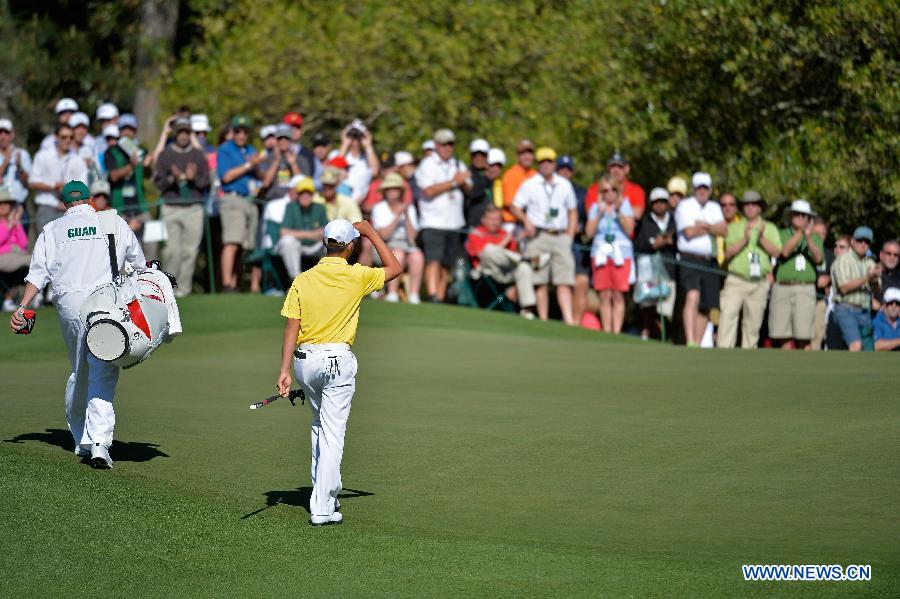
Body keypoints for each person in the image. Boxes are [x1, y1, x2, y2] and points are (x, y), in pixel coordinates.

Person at [9, 181, 146, 469]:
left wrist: (22, 307)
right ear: (90, 201)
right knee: (103, 370)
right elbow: (139, 265)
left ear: (63, 204)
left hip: (69, 306)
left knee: (79, 368)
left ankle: (82, 437)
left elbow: (37, 275)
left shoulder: (53, 229)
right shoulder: (113, 222)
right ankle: (99, 443)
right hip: (105, 303)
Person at [276, 218, 401, 525]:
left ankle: (324, 496)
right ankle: (321, 507)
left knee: (320, 427)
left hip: (305, 362)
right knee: (332, 434)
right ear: (350, 246)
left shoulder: (303, 279)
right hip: (336, 361)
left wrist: (284, 370)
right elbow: (395, 268)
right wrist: (371, 232)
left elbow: (292, 326)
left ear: (325, 244)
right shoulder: (356, 275)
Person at [510, 147, 578, 325]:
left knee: (564, 280)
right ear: (538, 165)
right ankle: (543, 320)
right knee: (540, 280)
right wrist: (526, 221)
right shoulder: (530, 184)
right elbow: (515, 207)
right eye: (542, 162)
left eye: (549, 162)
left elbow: (572, 211)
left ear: (554, 164)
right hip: (538, 236)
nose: (546, 165)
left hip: (560, 235)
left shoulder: (564, 184)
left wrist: (569, 236)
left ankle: (569, 321)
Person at [153, 117, 211, 297]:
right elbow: (158, 182)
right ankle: (169, 288)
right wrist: (173, 178)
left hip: (193, 208)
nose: (184, 136)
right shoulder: (166, 155)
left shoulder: (197, 155)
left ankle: (184, 290)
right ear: (176, 133)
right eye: (181, 132)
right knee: (171, 250)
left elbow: (206, 182)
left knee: (190, 251)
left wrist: (193, 179)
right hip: (171, 207)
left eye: (187, 132)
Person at [716, 191, 781, 349]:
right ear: (742, 208)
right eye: (747, 205)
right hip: (736, 280)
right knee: (727, 320)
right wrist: (745, 239)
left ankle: (747, 358)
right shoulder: (734, 227)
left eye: (754, 204)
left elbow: (777, 252)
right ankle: (722, 356)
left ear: (760, 208)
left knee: (752, 326)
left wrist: (761, 238)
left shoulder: (769, 227)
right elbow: (728, 252)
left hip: (758, 282)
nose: (750, 208)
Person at [414, 128, 471, 302]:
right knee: (434, 259)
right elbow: (429, 191)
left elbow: (469, 189)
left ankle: (440, 295)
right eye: (444, 144)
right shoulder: (428, 164)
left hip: (454, 223)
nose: (447, 148)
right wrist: (454, 181)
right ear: (436, 145)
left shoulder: (458, 164)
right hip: (433, 221)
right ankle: (432, 294)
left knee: (448, 263)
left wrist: (462, 182)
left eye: (450, 144)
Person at [675, 172, 727, 347]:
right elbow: (689, 232)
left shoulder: (714, 207)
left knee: (707, 304)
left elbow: (724, 230)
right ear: (694, 189)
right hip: (689, 259)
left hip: (709, 260)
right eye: (699, 188)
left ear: (710, 190)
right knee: (693, 295)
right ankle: (690, 340)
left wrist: (703, 225)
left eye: (705, 188)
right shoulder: (685, 206)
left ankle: (696, 343)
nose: (702, 191)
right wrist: (712, 227)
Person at [465, 205, 539, 319]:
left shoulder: (504, 233)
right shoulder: (476, 233)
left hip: (505, 273)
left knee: (523, 267)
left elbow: (511, 261)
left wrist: (515, 286)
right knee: (489, 249)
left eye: (497, 219)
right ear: (483, 220)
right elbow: (482, 255)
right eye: (491, 219)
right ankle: (527, 260)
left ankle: (527, 310)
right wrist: (506, 241)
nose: (494, 222)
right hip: (486, 271)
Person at [768, 199, 824, 350]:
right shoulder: (781, 234)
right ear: (791, 216)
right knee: (782, 334)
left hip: (804, 288)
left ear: (808, 218)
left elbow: (818, 258)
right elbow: (785, 252)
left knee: (804, 335)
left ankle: (806, 368)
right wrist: (800, 233)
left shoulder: (815, 237)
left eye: (803, 215)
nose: (800, 217)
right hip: (783, 286)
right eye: (797, 214)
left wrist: (809, 238)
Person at [217, 115, 265, 291]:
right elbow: (226, 177)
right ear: (233, 132)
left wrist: (257, 165)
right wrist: (248, 165)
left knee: (244, 245)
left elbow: (259, 177)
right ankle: (227, 282)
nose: (242, 135)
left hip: (249, 200)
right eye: (238, 131)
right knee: (232, 242)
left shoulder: (251, 149)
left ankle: (235, 284)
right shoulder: (225, 149)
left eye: (245, 132)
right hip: (233, 199)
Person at [585, 175, 635, 333]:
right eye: (605, 190)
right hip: (601, 252)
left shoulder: (624, 205)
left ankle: (617, 330)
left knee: (618, 294)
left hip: (620, 252)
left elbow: (630, 230)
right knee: (605, 294)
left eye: (613, 190)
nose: (609, 194)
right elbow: (589, 232)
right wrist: (599, 213)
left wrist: (619, 212)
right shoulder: (595, 207)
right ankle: (607, 330)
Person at [370, 173, 423, 303]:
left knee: (418, 256)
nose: (392, 192)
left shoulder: (409, 209)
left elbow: (413, 237)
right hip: (385, 246)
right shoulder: (379, 208)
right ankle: (392, 292)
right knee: (398, 254)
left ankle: (414, 294)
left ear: (400, 191)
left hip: (406, 244)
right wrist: (398, 215)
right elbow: (384, 235)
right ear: (385, 191)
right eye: (389, 189)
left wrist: (407, 217)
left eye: (395, 189)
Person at [633, 187, 678, 340]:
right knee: (648, 305)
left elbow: (678, 243)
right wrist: (654, 245)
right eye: (657, 202)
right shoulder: (645, 221)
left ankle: (666, 337)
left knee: (666, 308)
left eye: (663, 202)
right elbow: (639, 244)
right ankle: (645, 334)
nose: (660, 205)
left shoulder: (674, 221)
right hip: (648, 271)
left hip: (668, 270)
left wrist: (668, 242)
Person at [29, 123, 88, 233]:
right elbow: (33, 182)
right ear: (56, 137)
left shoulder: (78, 160)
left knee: (68, 247)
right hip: (47, 205)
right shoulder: (42, 156)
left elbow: (83, 187)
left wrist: (68, 195)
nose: (67, 140)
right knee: (45, 245)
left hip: (70, 208)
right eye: (64, 137)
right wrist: (53, 186)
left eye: (70, 137)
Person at [830, 226, 880, 351]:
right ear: (852, 242)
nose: (863, 244)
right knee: (855, 345)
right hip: (846, 309)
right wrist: (868, 277)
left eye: (867, 241)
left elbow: (877, 290)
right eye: (860, 240)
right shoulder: (843, 260)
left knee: (868, 349)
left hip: (864, 311)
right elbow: (844, 288)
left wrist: (874, 280)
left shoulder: (871, 262)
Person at [556, 155, 591, 326]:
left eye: (567, 169)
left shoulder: (581, 193)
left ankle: (574, 324)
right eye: (561, 168)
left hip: (575, 243)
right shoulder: (550, 190)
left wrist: (581, 226)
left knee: (581, 281)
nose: (564, 172)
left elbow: (587, 218)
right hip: (554, 239)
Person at [276, 177, 328, 278]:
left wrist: (299, 234)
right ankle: (296, 280)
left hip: (315, 246)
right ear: (298, 195)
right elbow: (283, 232)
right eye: (302, 193)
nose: (305, 196)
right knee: (287, 241)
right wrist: (310, 234)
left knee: (331, 242)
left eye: (308, 193)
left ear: (312, 195)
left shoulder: (320, 208)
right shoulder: (291, 206)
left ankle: (325, 279)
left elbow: (326, 231)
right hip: (297, 245)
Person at [586, 152, 646, 220]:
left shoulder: (636, 190)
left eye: (620, 167)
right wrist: (622, 209)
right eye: (612, 166)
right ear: (608, 169)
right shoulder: (595, 188)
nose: (616, 170)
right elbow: (590, 213)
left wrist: (605, 208)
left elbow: (637, 214)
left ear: (627, 169)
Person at [0, 188, 30, 311]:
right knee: (29, 261)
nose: (3, 206)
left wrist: (16, 223)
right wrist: (9, 225)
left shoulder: (14, 221)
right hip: (3, 257)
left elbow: (24, 244)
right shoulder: (6, 223)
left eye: (6, 203)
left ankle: (11, 299)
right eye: (0, 203)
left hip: (17, 255)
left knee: (29, 263)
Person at [0, 118, 32, 224]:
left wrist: (19, 167)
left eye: (6, 132)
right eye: (0, 132)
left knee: (21, 240)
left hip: (19, 208)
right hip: (1, 209)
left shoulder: (22, 154)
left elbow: (28, 183)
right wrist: (5, 163)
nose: (3, 136)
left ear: (12, 135)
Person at [339, 119, 379, 205]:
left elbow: (375, 172)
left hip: (357, 206)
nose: (355, 140)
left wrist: (368, 145)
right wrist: (345, 144)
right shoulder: (339, 155)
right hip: (340, 203)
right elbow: (333, 170)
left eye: (358, 136)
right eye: (352, 136)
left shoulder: (368, 159)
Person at [258, 124, 302, 201]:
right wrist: (276, 162)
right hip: (272, 200)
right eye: (280, 139)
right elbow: (265, 183)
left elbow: (301, 184)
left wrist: (293, 164)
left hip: (291, 201)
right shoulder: (266, 157)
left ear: (291, 140)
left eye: (286, 138)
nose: (283, 141)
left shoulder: (299, 158)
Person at [500, 139, 536, 225]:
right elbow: (510, 204)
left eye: (530, 153)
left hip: (532, 222)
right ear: (518, 156)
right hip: (513, 222)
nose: (527, 157)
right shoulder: (510, 175)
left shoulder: (536, 174)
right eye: (523, 153)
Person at [464, 138, 491, 227]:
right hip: (471, 224)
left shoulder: (490, 175)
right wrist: (486, 179)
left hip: (490, 225)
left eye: (482, 155)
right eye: (475, 155)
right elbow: (474, 193)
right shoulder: (466, 174)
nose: (479, 158)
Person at [282, 111, 314, 176]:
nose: (294, 130)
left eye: (297, 128)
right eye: (290, 127)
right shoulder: (277, 151)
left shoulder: (308, 154)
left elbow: (308, 176)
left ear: (302, 130)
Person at [715, 192, 741, 267]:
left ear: (736, 208)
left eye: (731, 205)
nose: (728, 208)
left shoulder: (744, 226)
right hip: (715, 271)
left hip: (736, 272)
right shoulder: (712, 225)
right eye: (724, 205)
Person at [874, 239, 900, 309]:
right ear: (881, 255)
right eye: (888, 254)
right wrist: (881, 309)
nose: (892, 258)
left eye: (896, 255)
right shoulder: (872, 273)